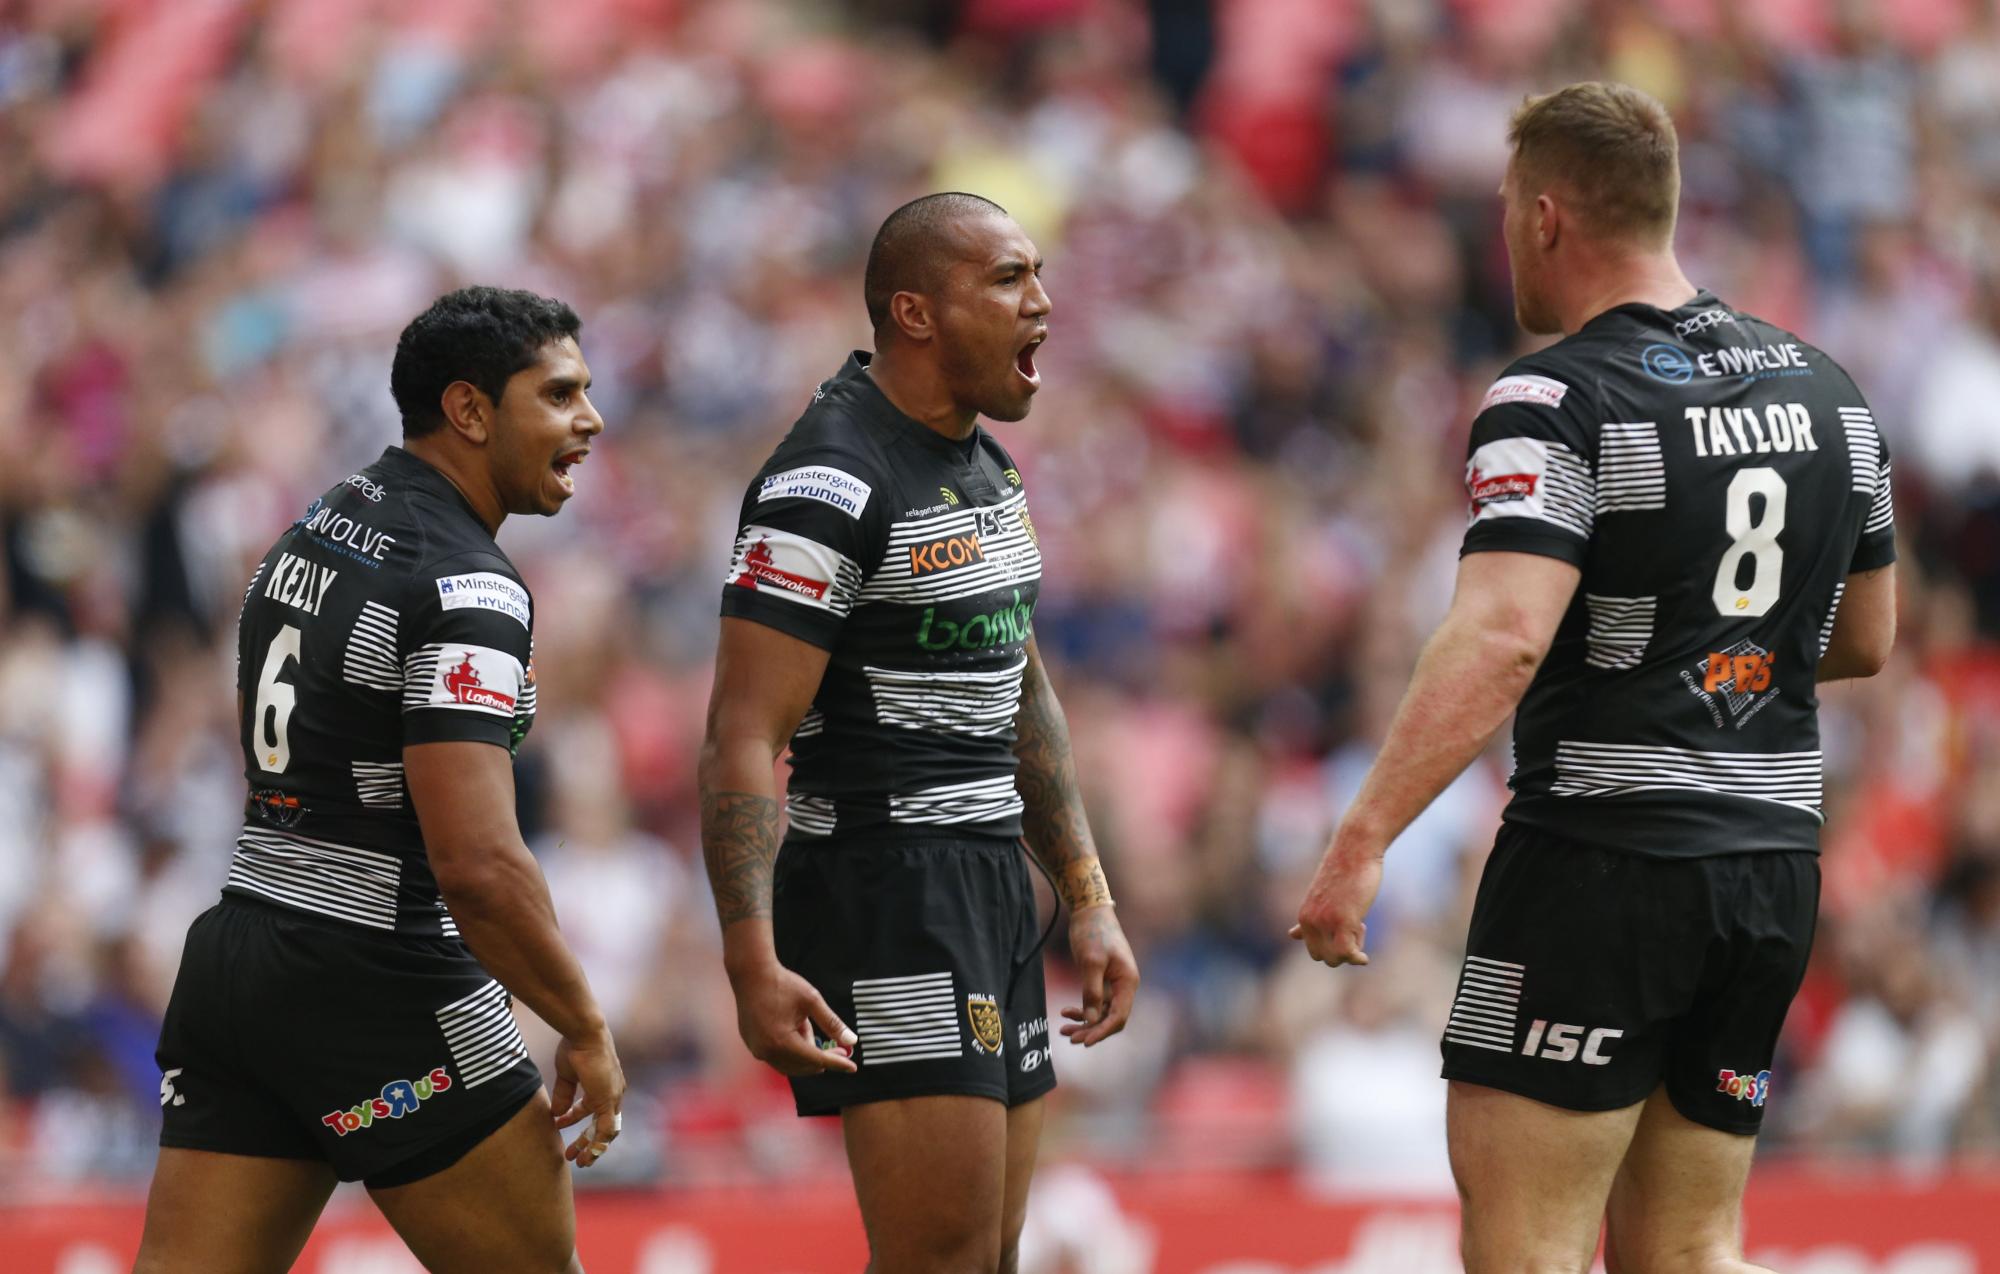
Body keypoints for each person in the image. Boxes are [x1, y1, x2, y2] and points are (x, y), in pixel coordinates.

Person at [1291, 83, 1897, 1274]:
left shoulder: (1552, 396)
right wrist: (1712, 653)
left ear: (1544, 216)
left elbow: (1502, 636)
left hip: (1601, 860)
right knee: (1689, 1246)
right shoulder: (1827, 391)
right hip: (1768, 865)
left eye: (1506, 209)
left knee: (1530, 1248)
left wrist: (1362, 835)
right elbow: (1862, 636)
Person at [135, 287, 623, 1274]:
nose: (589, 418)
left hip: (238, 960)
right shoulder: (466, 583)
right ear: (471, 411)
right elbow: (477, 862)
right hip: (373, 970)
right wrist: (583, 1021)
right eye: (559, 392)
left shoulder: (319, 521)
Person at [698, 192, 1139, 1274]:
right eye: (1007, 279)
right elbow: (741, 734)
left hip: (989, 882)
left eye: (1035, 274)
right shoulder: (828, 479)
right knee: (936, 1258)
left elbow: (1019, 689)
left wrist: (1087, 896)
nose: (1041, 301)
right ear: (915, 312)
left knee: (986, 1255)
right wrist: (749, 957)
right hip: (885, 886)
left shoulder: (984, 467)